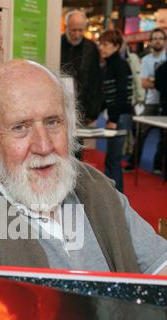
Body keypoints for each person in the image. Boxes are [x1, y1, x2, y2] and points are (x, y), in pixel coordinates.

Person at [0, 59, 167, 276]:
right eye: (20, 127)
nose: (43, 145)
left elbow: (159, 264)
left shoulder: (94, 186)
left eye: (53, 122)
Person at [124, 28, 167, 172]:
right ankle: (132, 163)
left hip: (164, 103)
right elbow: (143, 83)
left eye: (161, 38)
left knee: (164, 138)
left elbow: (150, 81)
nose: (158, 41)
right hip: (149, 102)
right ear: (150, 41)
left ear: (165, 41)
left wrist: (153, 81)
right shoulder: (146, 60)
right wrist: (161, 83)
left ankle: (158, 166)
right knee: (141, 134)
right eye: (155, 38)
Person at [99, 30, 133, 193]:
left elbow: (122, 96)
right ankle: (112, 195)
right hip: (117, 115)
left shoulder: (120, 65)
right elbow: (108, 97)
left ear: (117, 46)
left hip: (121, 116)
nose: (102, 47)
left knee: (113, 158)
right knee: (111, 158)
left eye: (106, 44)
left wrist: (113, 119)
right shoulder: (109, 65)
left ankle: (117, 197)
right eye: (101, 44)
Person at [60, 9, 102, 123]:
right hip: (60, 105)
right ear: (66, 27)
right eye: (73, 30)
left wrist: (93, 112)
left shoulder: (91, 48)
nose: (77, 34)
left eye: (80, 30)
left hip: (83, 108)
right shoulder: (58, 44)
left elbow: (96, 80)